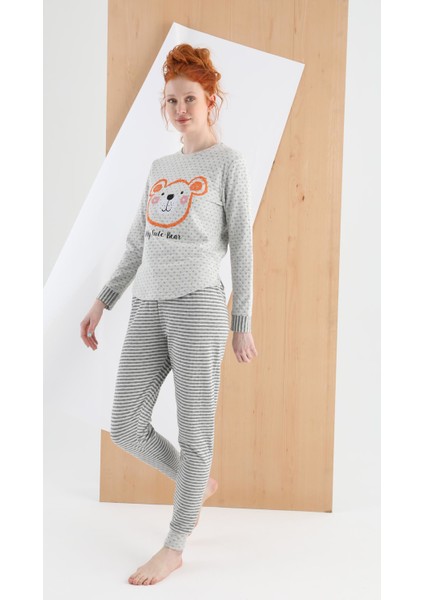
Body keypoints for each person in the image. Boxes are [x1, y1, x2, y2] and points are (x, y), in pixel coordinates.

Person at [80, 43, 258, 586]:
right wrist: (103, 300)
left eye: (190, 99)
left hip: (199, 306)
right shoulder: (161, 167)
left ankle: (175, 546)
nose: (181, 109)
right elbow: (138, 243)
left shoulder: (228, 164)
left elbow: (243, 245)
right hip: (147, 305)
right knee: (126, 426)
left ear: (211, 102)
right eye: (172, 100)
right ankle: (195, 481)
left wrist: (241, 321)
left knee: (196, 431)